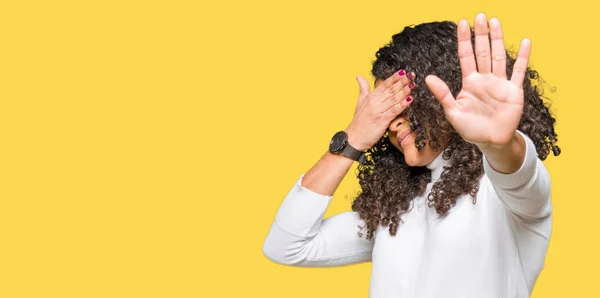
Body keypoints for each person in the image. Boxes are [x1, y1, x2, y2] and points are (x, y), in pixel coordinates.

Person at [262, 13, 560, 298]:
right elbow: (286, 244)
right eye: (384, 111)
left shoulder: (501, 191)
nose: (392, 122)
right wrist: (353, 137)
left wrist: (498, 144)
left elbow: (519, 174)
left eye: (404, 104)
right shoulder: (395, 207)